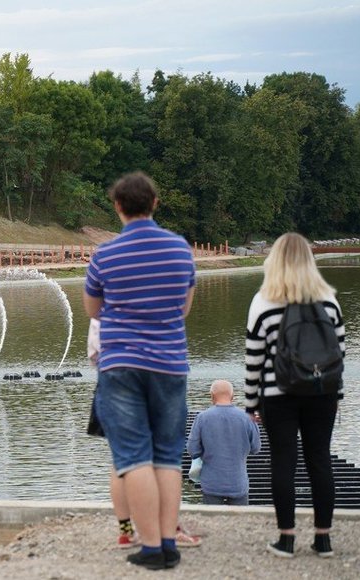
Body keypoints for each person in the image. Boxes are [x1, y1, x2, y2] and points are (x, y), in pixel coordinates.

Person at [83, 171, 196, 570]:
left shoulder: (104, 255)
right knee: (167, 455)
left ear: (117, 207)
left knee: (133, 457)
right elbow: (183, 308)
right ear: (155, 203)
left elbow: (93, 311)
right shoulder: (181, 249)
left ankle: (149, 548)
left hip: (121, 366)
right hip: (169, 363)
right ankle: (168, 543)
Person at [244, 232, 344, 558]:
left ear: (275, 260)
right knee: (320, 460)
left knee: (283, 462)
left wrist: (250, 403)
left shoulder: (263, 301)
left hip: (279, 394)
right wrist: (333, 392)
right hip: (322, 393)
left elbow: (254, 359)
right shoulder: (329, 301)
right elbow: (339, 354)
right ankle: (323, 539)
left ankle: (286, 539)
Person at [88, 318, 202, 550]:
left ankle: (126, 531)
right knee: (163, 456)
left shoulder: (107, 297)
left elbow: (94, 351)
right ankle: (169, 529)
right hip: (159, 372)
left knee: (122, 458)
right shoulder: (156, 293)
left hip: (114, 376)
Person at [187, 380, 261, 505]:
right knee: (239, 522)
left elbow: (192, 449)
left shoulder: (202, 418)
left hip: (211, 484)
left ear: (212, 395)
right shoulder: (247, 418)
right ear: (233, 396)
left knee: (211, 521)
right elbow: (256, 448)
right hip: (238, 482)